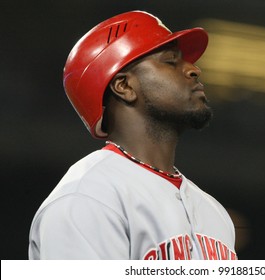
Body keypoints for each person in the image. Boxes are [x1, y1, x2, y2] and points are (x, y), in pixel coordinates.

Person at [28, 10, 237, 260]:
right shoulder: (88, 196)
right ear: (124, 86)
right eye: (170, 61)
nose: (193, 70)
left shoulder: (213, 212)